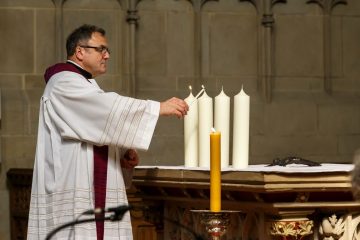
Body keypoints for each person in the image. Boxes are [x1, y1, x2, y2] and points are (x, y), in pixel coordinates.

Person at [27, 24, 188, 240]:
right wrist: (157, 107)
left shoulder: (83, 83)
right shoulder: (63, 82)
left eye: (107, 50)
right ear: (80, 51)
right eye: (101, 49)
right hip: (75, 185)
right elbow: (103, 108)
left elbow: (92, 125)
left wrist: (121, 154)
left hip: (91, 182)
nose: (107, 55)